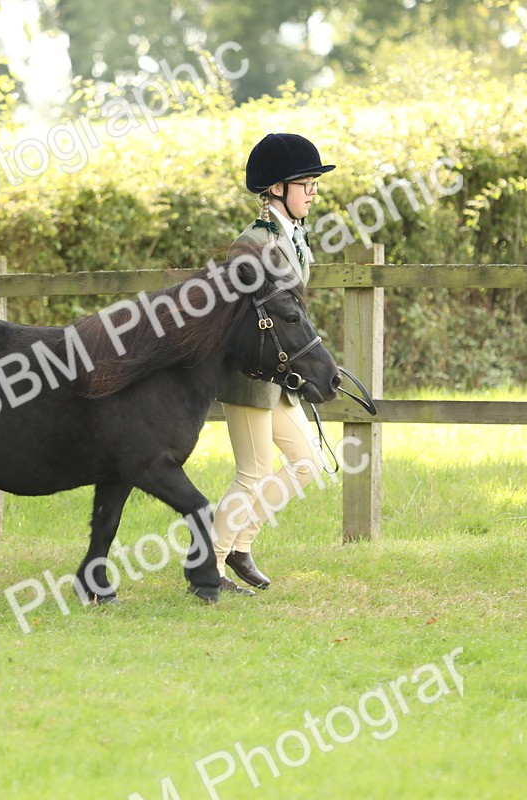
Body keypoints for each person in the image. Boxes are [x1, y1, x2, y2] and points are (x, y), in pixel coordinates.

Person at [211, 132, 336, 596]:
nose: (312, 193)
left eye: (312, 185)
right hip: (248, 377)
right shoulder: (252, 245)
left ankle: (240, 545)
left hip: (281, 377)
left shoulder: (294, 238)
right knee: (254, 471)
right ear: (277, 188)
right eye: (305, 184)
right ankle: (210, 565)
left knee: (307, 464)